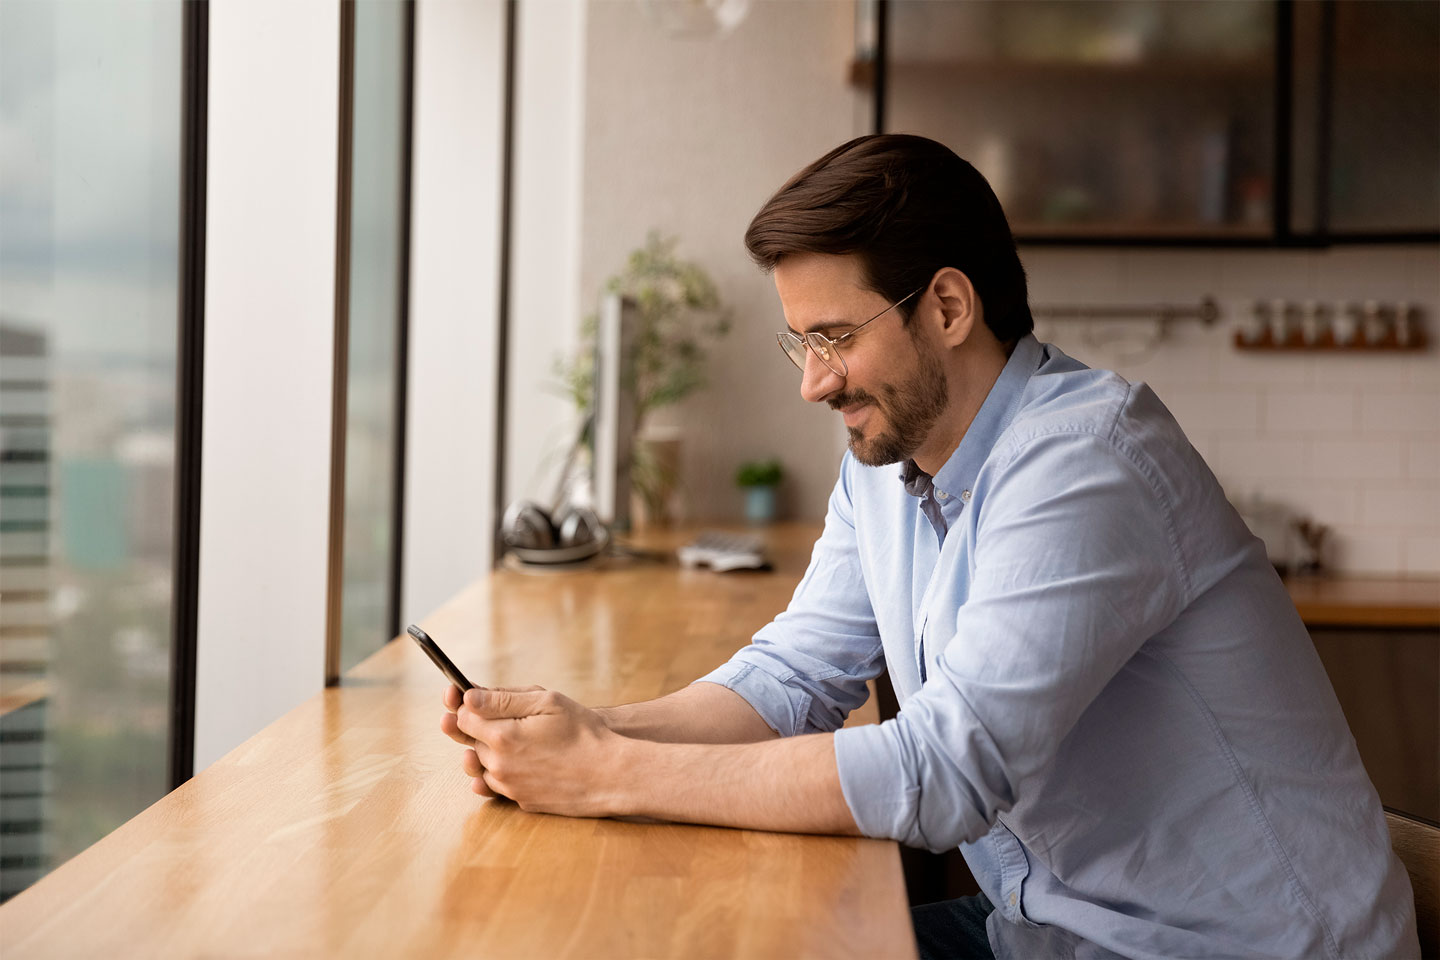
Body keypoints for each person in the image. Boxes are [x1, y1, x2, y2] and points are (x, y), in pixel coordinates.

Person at [441, 134, 1418, 959]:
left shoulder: (1086, 460)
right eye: (801, 343)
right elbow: (792, 678)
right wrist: (593, 732)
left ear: (948, 308)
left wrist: (610, 778)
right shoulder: (883, 464)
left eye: (834, 338)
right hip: (1048, 935)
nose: (813, 383)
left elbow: (945, 771)